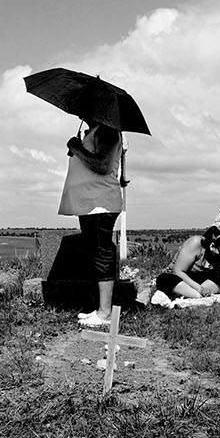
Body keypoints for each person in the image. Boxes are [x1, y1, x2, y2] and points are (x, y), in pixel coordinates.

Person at [57, 119, 124, 328]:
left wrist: (77, 148)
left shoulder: (108, 130)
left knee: (101, 252)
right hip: (90, 203)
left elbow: (102, 165)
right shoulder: (95, 131)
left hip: (100, 203)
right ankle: (98, 308)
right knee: (94, 252)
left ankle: (105, 313)